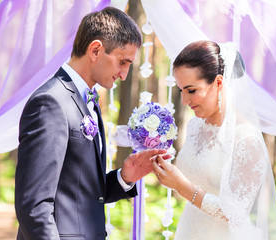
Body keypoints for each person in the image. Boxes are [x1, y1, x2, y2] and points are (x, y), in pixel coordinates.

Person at [15, 7, 170, 240]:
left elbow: (79, 192)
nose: (124, 74)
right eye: (122, 62)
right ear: (96, 49)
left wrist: (123, 177)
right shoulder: (50, 102)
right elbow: (34, 204)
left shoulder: (88, 100)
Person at [153, 41, 276, 239]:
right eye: (181, 91)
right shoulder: (196, 127)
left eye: (191, 90)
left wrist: (180, 185)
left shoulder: (246, 139)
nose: (185, 101)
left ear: (219, 82)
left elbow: (236, 213)